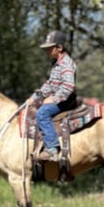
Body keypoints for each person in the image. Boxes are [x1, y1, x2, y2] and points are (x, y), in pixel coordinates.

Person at [29, 30, 77, 161]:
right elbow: (50, 84)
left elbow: (68, 86)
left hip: (65, 101)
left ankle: (52, 148)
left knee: (42, 114)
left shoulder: (66, 64)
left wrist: (53, 99)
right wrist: (34, 97)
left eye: (49, 49)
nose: (47, 52)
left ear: (59, 48)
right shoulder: (56, 64)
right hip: (60, 99)